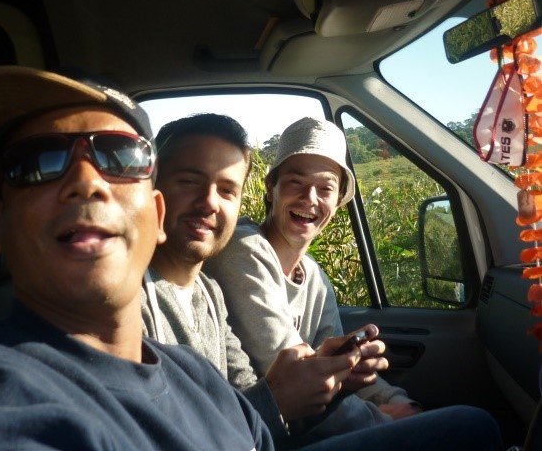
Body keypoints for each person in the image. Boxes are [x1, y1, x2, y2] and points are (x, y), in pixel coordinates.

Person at [0, 68, 502, 450]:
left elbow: (252, 425)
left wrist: (322, 390)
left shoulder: (185, 364)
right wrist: (286, 399)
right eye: (38, 164)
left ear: (153, 213)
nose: (87, 182)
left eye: (120, 158)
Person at [143, 113, 393, 441]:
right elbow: (165, 433)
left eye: (227, 190)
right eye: (189, 181)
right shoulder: (130, 303)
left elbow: (244, 396)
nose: (209, 202)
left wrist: (343, 380)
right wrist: (280, 400)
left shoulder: (209, 295)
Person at [204, 117, 422, 436]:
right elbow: (299, 379)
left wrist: (402, 404)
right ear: (271, 188)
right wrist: (385, 420)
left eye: (325, 188)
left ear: (338, 200)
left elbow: (340, 366)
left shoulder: (315, 278)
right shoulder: (243, 249)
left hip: (304, 427)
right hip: (260, 433)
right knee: (473, 423)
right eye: (296, 182)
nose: (310, 198)